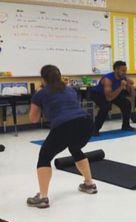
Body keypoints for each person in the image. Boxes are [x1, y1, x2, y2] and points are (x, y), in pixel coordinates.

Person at [27, 65, 97, 209]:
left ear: (43, 78)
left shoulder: (41, 93)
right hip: (86, 123)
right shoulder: (70, 89)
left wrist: (38, 97)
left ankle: (42, 197)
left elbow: (33, 119)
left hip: (64, 126)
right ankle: (89, 184)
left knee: (44, 158)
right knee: (75, 148)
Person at [90, 60, 135, 135]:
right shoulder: (108, 79)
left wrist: (130, 86)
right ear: (116, 70)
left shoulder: (123, 77)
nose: (125, 72)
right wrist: (121, 87)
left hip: (112, 93)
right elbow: (109, 99)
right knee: (105, 107)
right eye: (123, 70)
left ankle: (126, 126)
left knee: (126, 103)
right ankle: (94, 129)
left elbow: (132, 94)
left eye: (125, 70)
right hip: (98, 94)